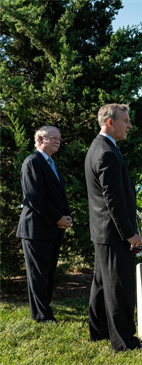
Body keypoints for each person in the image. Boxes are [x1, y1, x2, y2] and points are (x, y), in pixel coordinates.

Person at [85, 104, 142, 351]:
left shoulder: (101, 147)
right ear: (111, 122)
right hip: (113, 233)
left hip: (103, 231)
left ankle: (99, 331)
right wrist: (129, 233)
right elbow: (113, 201)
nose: (129, 125)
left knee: (101, 283)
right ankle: (124, 342)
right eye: (126, 121)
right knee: (119, 287)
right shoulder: (106, 151)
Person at [16, 126, 72, 323]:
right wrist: (58, 218)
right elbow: (35, 197)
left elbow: (58, 194)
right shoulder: (32, 162)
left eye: (59, 138)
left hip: (52, 228)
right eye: (53, 138)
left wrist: (66, 216)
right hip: (36, 230)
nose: (58, 141)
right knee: (38, 275)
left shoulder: (50, 163)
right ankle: (41, 316)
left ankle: (45, 310)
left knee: (48, 273)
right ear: (40, 139)